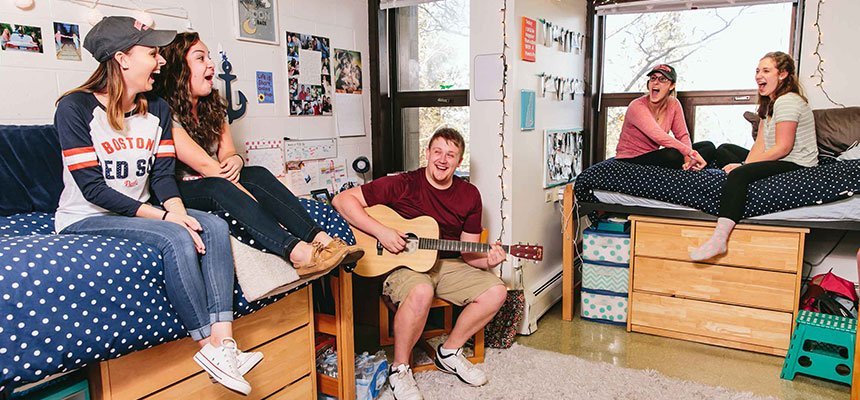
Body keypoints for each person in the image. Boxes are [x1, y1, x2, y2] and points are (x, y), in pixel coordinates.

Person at [53, 17, 257, 395]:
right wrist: (168, 220)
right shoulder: (75, 108)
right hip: (86, 216)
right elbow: (94, 189)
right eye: (152, 53)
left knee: (211, 226)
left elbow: (162, 177)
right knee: (173, 239)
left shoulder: (158, 108)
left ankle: (227, 343)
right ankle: (207, 347)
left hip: (143, 207)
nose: (161, 62)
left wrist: (178, 212)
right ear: (122, 59)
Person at [153, 32, 362, 276]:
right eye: (201, 58)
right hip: (183, 188)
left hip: (215, 177)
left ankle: (322, 240)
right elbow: (207, 168)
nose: (211, 63)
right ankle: (296, 251)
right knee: (218, 188)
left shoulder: (212, 106)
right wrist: (264, 211)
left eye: (210, 57)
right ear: (179, 69)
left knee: (257, 174)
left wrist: (236, 160)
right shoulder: (163, 111)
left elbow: (228, 152)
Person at [333, 127, 508, 400]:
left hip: (446, 265)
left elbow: (469, 254)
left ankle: (449, 352)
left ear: (459, 161)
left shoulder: (470, 195)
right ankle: (400, 369)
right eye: (437, 151)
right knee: (421, 291)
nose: (443, 159)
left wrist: (489, 259)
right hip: (402, 265)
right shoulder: (403, 183)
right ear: (427, 153)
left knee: (497, 291)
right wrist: (382, 232)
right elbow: (342, 200)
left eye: (451, 154)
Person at [690, 51, 818, 261]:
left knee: (738, 176)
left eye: (766, 71)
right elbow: (761, 145)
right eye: (757, 70)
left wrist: (741, 168)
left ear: (783, 74)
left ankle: (719, 239)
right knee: (724, 150)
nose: (759, 75)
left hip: (797, 163)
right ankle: (734, 167)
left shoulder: (788, 101)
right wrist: (744, 162)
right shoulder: (771, 103)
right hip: (782, 157)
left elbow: (782, 148)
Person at [615, 64, 710, 170]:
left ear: (672, 86)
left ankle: (688, 168)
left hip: (652, 155)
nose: (656, 82)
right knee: (673, 154)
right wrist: (691, 153)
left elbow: (682, 135)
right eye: (653, 78)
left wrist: (688, 159)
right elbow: (659, 136)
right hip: (631, 159)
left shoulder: (674, 104)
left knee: (707, 146)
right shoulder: (636, 106)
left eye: (662, 79)